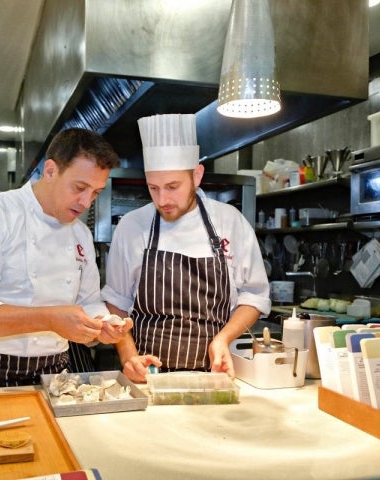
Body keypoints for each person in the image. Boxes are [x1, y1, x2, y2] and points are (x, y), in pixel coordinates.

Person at [0, 128, 132, 389]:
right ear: (51, 171)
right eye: (80, 187)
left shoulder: (80, 233)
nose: (86, 202)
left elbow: (87, 302)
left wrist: (103, 324)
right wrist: (50, 319)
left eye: (96, 192)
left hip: (56, 372)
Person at [101, 113, 271, 383]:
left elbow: (254, 296)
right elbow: (117, 302)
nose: (162, 199)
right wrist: (128, 355)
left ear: (197, 175)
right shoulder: (133, 226)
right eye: (153, 188)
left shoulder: (229, 222)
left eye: (172, 186)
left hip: (213, 375)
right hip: (149, 377)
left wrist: (223, 339)